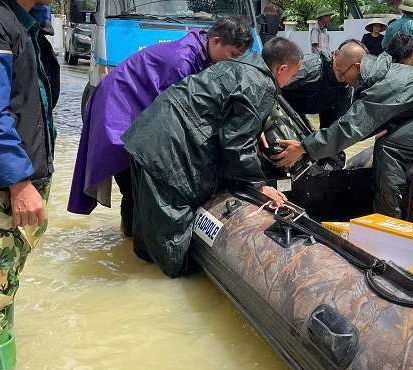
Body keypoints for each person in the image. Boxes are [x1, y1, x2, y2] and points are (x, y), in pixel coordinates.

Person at [121, 37, 304, 277]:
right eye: (292, 74)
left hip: (147, 137)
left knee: (147, 235)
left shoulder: (238, 66)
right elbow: (235, 142)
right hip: (168, 154)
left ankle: (138, 280)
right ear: (282, 68)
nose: (290, 81)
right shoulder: (261, 84)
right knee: (172, 246)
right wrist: (258, 186)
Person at [68, 15, 254, 235]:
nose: (233, 63)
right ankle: (130, 241)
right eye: (232, 55)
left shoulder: (200, 53)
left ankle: (130, 234)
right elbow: (181, 119)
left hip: (135, 106)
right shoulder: (182, 62)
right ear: (214, 41)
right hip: (118, 111)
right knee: (136, 182)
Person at [0, 0, 71, 370]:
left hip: (20, 180)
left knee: (3, 284)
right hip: (2, 188)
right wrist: (19, 182)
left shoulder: (22, 22)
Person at [272, 53, 413, 219]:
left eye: (343, 74)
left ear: (357, 67)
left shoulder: (384, 85)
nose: (343, 81)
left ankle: (388, 218)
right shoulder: (386, 74)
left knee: (388, 147)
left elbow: (352, 127)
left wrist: (304, 147)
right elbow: (362, 126)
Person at [282, 39, 368, 128]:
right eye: (341, 69)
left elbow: (337, 125)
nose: (345, 75)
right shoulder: (310, 69)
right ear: (336, 54)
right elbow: (272, 85)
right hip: (281, 105)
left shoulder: (346, 87)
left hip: (303, 111)